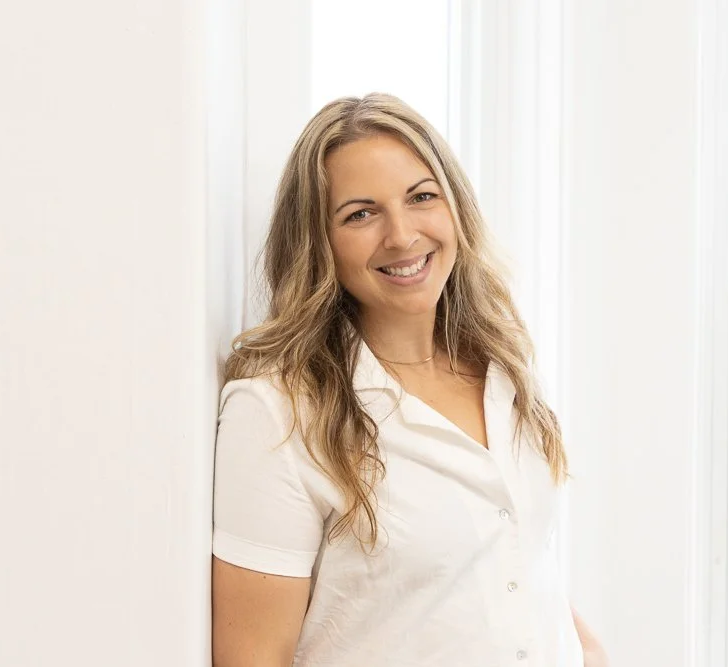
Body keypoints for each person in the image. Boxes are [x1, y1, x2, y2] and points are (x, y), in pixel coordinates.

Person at [210, 92, 609, 667]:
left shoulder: (503, 361)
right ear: (318, 241)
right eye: (360, 214)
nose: (401, 235)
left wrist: (589, 650)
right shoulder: (278, 411)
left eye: (421, 197)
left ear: (455, 206)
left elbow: (510, 560)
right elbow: (253, 657)